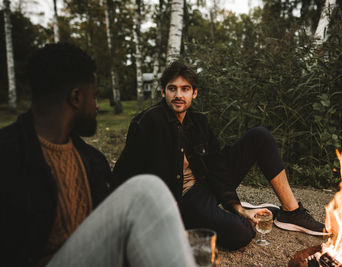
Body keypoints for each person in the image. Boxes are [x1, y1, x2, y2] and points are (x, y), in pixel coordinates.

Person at [0, 43, 196, 267]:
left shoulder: (92, 161)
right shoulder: (8, 157)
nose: (96, 107)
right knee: (147, 190)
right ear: (76, 98)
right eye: (94, 97)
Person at [113, 61, 328, 250]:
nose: (179, 95)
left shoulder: (199, 122)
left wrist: (237, 208)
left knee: (259, 136)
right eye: (173, 89)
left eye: (185, 89)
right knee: (241, 234)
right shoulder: (146, 123)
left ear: (194, 93)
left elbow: (216, 168)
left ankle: (291, 212)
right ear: (163, 92)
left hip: (206, 184)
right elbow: (124, 174)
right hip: (182, 201)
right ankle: (204, 222)